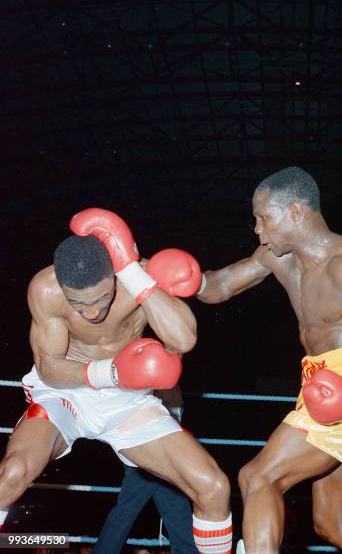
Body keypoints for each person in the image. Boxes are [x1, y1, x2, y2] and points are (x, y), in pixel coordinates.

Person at [196, 167, 342, 553]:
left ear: (296, 212)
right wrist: (166, 276)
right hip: (318, 384)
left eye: (264, 218)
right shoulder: (276, 257)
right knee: (331, 524)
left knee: (258, 477)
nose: (256, 229)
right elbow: (217, 287)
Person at [0, 208, 232, 554]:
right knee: (12, 473)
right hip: (67, 394)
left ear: (115, 275)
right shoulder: (46, 289)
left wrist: (132, 274)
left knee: (213, 487)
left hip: (129, 402)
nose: (92, 313)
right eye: (79, 305)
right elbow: (49, 367)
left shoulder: (138, 276)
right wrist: (111, 371)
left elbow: (184, 339)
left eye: (101, 299)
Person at [93, 386, 196, 554]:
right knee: (129, 509)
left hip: (166, 450)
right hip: (148, 449)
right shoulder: (150, 372)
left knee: (175, 508)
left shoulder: (171, 381)